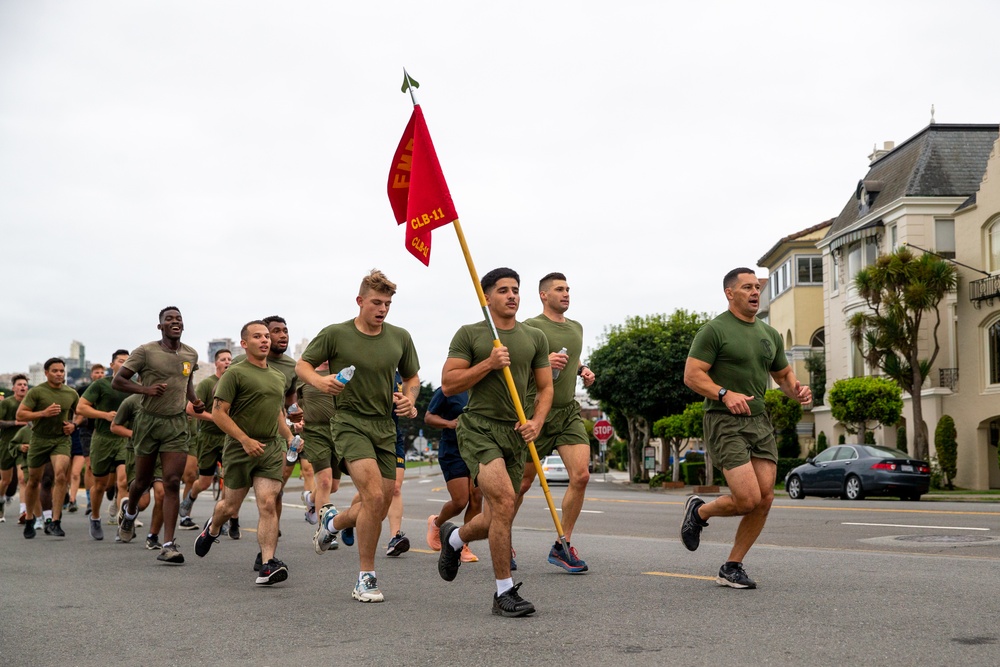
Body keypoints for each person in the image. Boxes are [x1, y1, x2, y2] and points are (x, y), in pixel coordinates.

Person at [682, 267, 812, 589]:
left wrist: (797, 389)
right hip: (724, 420)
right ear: (730, 293)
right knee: (747, 497)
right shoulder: (714, 331)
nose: (755, 292)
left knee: (764, 498)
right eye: (747, 287)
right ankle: (700, 513)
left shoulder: (769, 335)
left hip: (759, 420)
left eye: (757, 287)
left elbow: (782, 375)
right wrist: (724, 394)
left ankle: (732, 565)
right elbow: (692, 375)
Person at [438, 267, 552, 618]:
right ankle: (504, 591)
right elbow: (448, 384)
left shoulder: (534, 337)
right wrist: (488, 363)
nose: (512, 295)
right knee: (504, 500)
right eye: (503, 290)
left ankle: (454, 539)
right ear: (486, 297)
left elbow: (546, 388)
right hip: (479, 428)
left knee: (498, 515)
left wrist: (536, 422)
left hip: (515, 433)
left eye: (515, 289)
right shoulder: (471, 334)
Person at [301, 269, 420, 603]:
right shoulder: (336, 334)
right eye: (376, 302)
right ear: (360, 301)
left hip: (385, 425)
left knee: (378, 505)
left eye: (387, 303)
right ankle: (365, 577)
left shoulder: (400, 337)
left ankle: (333, 523)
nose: (382, 309)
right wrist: (320, 382)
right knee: (371, 495)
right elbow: (303, 366)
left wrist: (409, 401)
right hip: (350, 422)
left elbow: (412, 378)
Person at [194, 321, 295, 586]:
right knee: (230, 506)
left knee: (268, 502)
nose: (264, 340)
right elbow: (218, 413)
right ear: (244, 343)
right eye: (257, 336)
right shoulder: (235, 374)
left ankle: (267, 564)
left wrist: (290, 438)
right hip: (239, 449)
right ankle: (212, 528)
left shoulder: (278, 376)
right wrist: (244, 439)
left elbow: (277, 413)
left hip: (270, 448)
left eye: (266, 336)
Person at [515, 272, 597, 573]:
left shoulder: (576, 327)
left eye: (567, 289)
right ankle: (503, 537)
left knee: (581, 475)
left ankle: (563, 545)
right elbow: (518, 364)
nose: (565, 294)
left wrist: (583, 369)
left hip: (567, 412)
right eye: (559, 289)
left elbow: (572, 357)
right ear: (543, 295)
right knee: (521, 484)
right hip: (535, 412)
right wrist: (545, 362)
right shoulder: (530, 327)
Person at [113, 306, 205, 563]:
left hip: (176, 423)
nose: (174, 322)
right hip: (148, 422)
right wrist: (146, 390)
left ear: (183, 326)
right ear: (160, 326)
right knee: (141, 482)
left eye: (178, 319)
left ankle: (168, 545)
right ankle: (129, 513)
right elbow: (118, 381)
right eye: (169, 319)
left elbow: (186, 382)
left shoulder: (190, 354)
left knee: (172, 481)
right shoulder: (145, 351)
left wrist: (195, 401)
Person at [16, 358, 80, 538]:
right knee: (33, 481)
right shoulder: (37, 392)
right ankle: (29, 518)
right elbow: (20, 414)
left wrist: (74, 425)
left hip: (61, 440)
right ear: (46, 373)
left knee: (60, 475)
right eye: (55, 371)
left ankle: (55, 521)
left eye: (62, 371)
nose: (59, 374)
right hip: (39, 439)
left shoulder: (71, 393)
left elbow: (80, 414)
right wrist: (42, 413)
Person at [180, 348, 238, 536]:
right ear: (216, 363)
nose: (227, 361)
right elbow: (190, 409)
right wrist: (216, 418)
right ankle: (190, 497)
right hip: (208, 438)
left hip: (229, 437)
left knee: (228, 480)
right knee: (204, 481)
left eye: (230, 358)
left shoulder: (235, 382)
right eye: (223, 359)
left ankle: (221, 519)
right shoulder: (207, 384)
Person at [77, 350, 131, 540]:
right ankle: (95, 517)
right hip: (102, 438)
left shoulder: (135, 386)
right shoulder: (101, 385)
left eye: (128, 362)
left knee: (123, 480)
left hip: (124, 439)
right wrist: (104, 415)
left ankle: (122, 525)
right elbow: (81, 407)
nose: (124, 364)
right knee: (100, 485)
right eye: (121, 361)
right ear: (112, 365)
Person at [423, 387, 481, 563]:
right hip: (452, 451)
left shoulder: (484, 388)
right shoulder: (448, 390)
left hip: (477, 449)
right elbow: (429, 417)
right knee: (460, 501)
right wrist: (449, 423)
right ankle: (437, 523)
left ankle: (462, 544)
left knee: (476, 497)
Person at [112, 393, 165, 550]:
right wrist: (135, 435)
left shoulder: (169, 401)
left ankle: (152, 537)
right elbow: (115, 426)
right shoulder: (131, 401)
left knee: (162, 494)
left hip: (161, 453)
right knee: (143, 502)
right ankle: (128, 511)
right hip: (137, 453)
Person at [296, 361, 341, 542]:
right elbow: (293, 404)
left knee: (333, 486)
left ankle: (310, 498)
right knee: (324, 480)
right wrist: (296, 420)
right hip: (314, 432)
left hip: (338, 432)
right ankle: (325, 531)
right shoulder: (305, 375)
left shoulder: (340, 372)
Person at [0, 374, 29, 523]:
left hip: (23, 445)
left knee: (22, 478)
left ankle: (23, 511)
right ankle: (1, 502)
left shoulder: (31, 404)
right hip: (6, 444)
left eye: (25, 384)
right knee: (5, 481)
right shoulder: (7, 404)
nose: (23, 386)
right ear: (13, 388)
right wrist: (16, 423)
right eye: (19, 384)